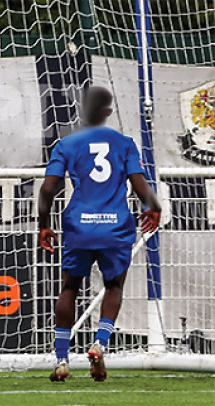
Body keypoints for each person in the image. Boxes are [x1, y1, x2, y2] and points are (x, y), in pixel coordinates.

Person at [37, 86, 161, 382]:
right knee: (114, 286)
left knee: (69, 288)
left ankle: (61, 360)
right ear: (108, 112)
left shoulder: (66, 144)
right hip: (116, 226)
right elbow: (140, 185)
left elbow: (47, 190)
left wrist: (43, 225)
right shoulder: (125, 143)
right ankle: (99, 343)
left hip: (79, 225)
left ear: (83, 110)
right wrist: (153, 208)